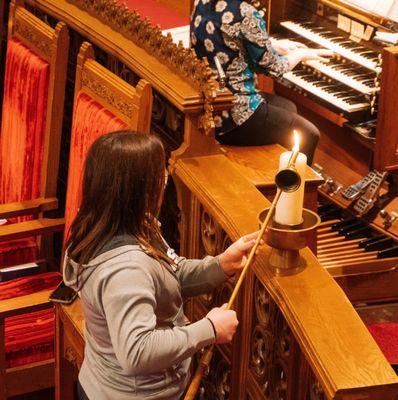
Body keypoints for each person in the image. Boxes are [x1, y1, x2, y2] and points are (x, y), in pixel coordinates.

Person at [63, 131, 259, 400]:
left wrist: (220, 265)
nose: (165, 182)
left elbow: (167, 271)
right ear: (139, 189)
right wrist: (209, 329)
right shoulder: (126, 269)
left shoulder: (118, 224)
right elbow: (137, 352)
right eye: (161, 175)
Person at [190, 0, 333, 164]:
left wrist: (272, 45)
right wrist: (301, 54)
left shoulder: (203, 2)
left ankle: (277, 171)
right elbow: (275, 68)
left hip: (210, 102)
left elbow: (227, 41)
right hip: (233, 114)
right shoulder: (246, 13)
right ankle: (297, 187)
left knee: (289, 108)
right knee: (309, 134)